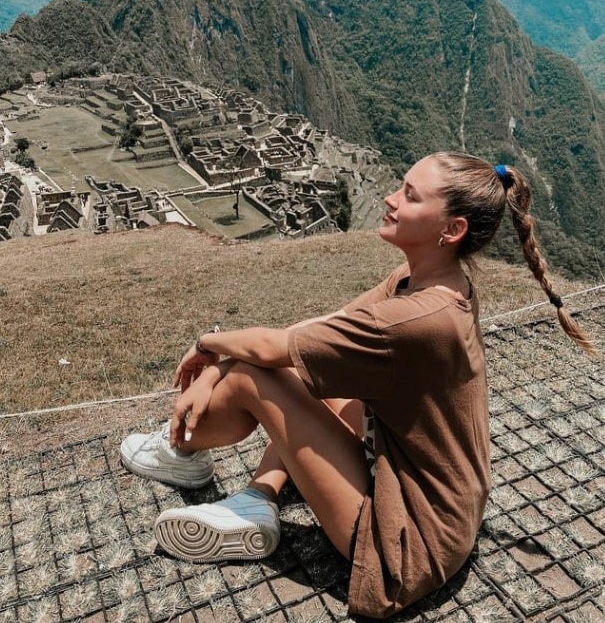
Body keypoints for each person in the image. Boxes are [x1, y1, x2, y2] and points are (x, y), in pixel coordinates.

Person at [121, 152, 593, 618]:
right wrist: (216, 366)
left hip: (408, 545)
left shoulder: (415, 320)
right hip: (432, 495)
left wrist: (207, 346)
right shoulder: (426, 283)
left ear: (451, 230)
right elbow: (319, 332)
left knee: (253, 377)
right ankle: (259, 495)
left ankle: (183, 451)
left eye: (410, 196)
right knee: (304, 370)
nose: (390, 199)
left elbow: (271, 351)